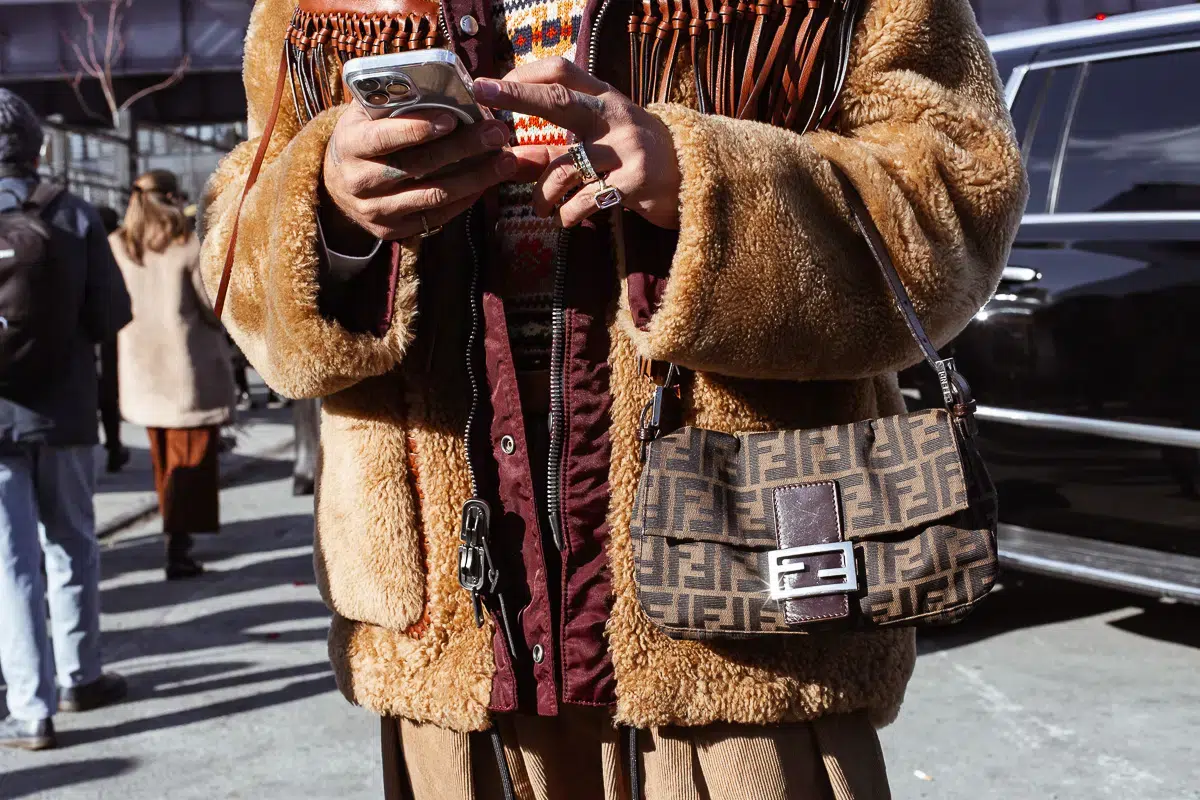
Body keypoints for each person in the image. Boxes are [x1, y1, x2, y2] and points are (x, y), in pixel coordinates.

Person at [203, 0, 1027, 796]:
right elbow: (234, 258)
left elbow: (961, 200)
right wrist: (333, 216)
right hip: (448, 648)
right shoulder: (310, 4)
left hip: (740, 629)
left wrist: (700, 181)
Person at [0, 89, 132, 751]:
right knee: (72, 543)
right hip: (65, 408)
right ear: (37, 146)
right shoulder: (73, 213)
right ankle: (82, 674)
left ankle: (30, 709)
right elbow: (111, 315)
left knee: (10, 562)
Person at [112, 169, 235, 581]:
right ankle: (178, 549)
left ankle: (173, 538)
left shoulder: (118, 245)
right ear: (170, 195)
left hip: (140, 371)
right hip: (187, 370)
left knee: (163, 462)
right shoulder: (186, 244)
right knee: (191, 461)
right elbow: (211, 305)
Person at [95, 205, 130, 473]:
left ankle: (110, 446)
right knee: (109, 394)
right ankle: (114, 446)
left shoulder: (79, 246)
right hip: (110, 331)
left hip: (87, 332)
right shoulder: (117, 249)